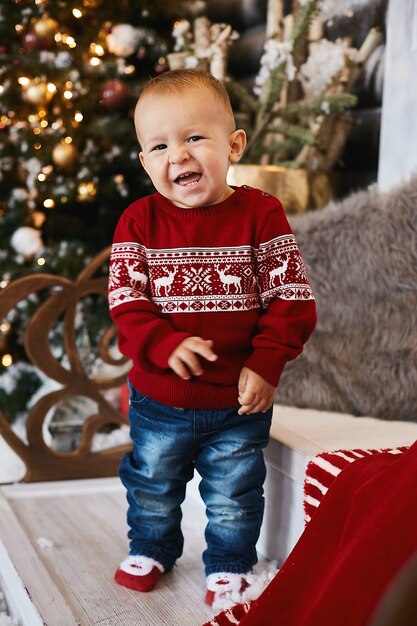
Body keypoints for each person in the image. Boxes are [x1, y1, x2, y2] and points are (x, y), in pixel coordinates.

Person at [108, 68, 316, 609]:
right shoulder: (138, 221)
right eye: (159, 146)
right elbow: (127, 302)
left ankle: (227, 564)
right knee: (153, 482)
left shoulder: (261, 215)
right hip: (159, 399)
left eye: (194, 137)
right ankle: (152, 547)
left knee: (234, 493)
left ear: (234, 145)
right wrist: (162, 344)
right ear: (146, 162)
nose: (177, 155)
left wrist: (267, 364)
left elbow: (291, 300)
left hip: (237, 401)